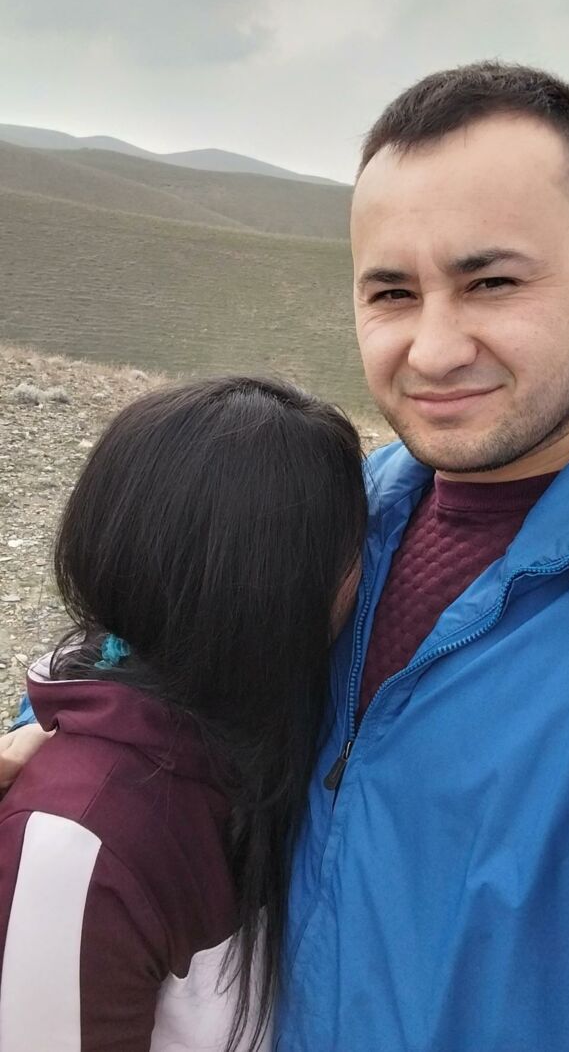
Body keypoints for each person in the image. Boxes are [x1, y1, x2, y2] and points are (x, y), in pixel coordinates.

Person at [6, 61, 569, 1051]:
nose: (434, 349)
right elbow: (168, 646)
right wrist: (56, 735)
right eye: (392, 291)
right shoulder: (337, 515)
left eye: (492, 282)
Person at [0, 375, 367, 1052]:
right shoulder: (78, 841)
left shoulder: (268, 723)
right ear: (274, 588)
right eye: (354, 547)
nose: (366, 572)